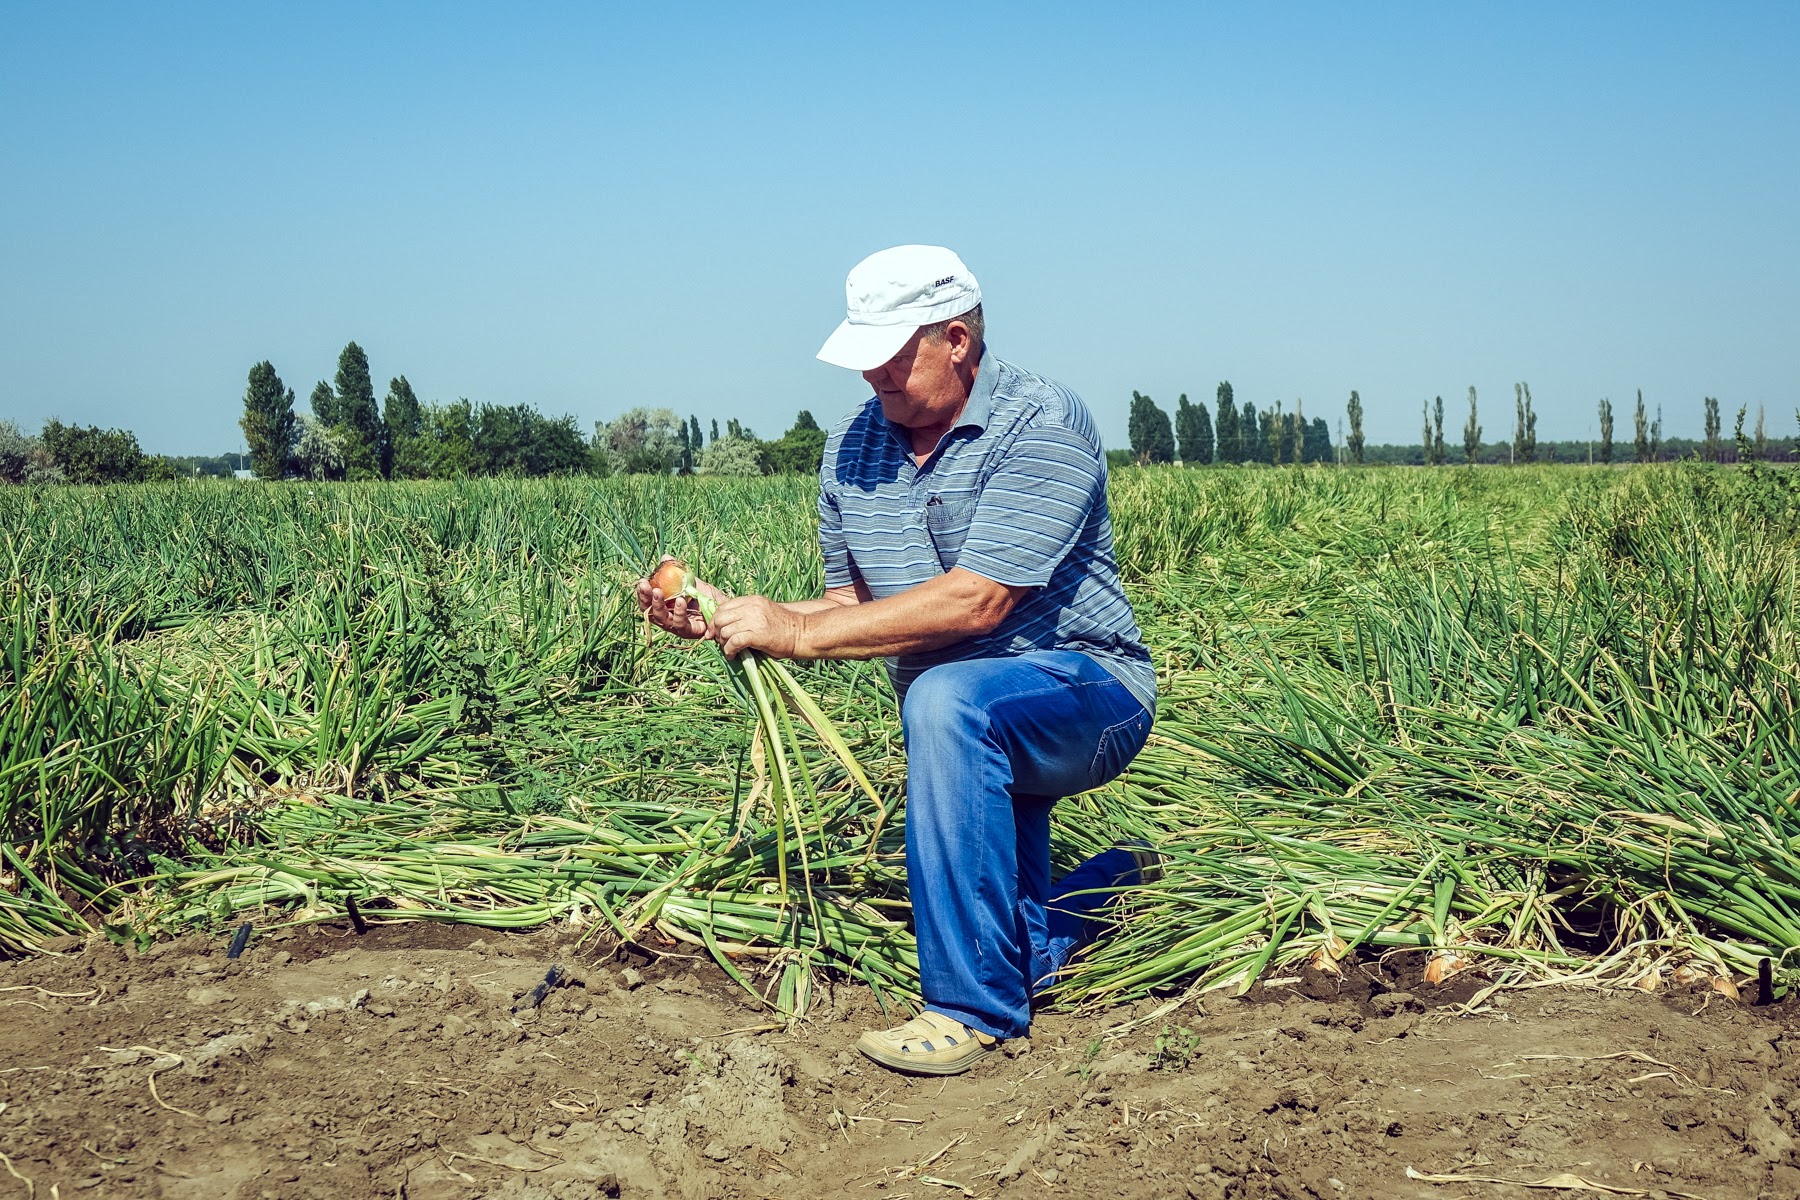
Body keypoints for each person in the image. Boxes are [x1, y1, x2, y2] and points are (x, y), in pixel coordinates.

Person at [637, 245, 1157, 1075]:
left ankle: (968, 1013)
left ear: (955, 339)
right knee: (1019, 945)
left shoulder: (1043, 421)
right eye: (863, 355)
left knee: (948, 700)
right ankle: (1107, 884)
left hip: (1086, 693)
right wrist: (733, 617)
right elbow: (850, 605)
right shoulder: (853, 446)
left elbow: (978, 601)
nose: (872, 374)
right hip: (965, 726)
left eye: (892, 353)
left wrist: (800, 636)